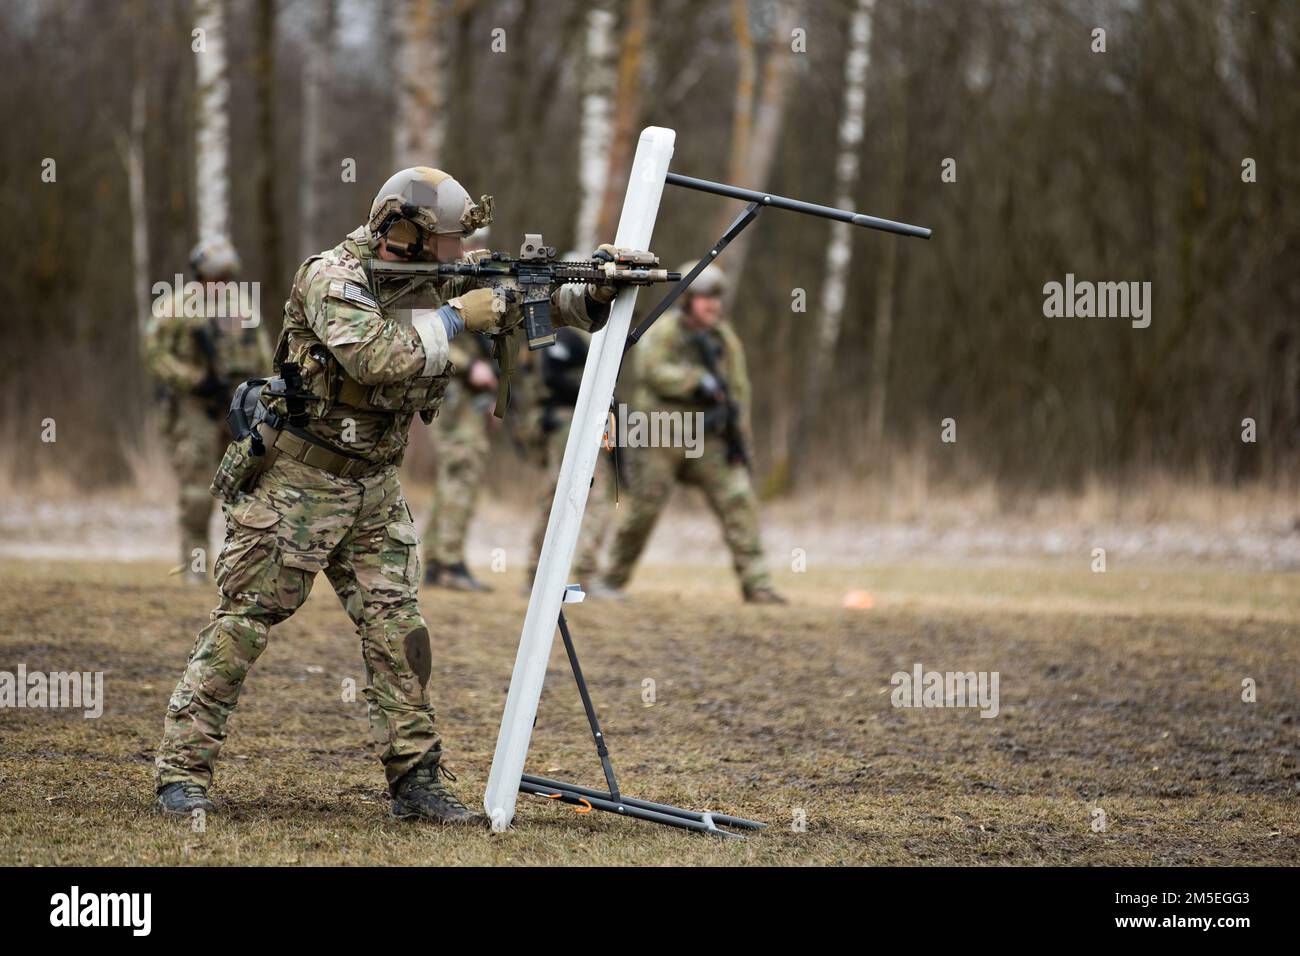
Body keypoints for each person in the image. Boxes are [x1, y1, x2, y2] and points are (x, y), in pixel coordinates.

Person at [154, 166, 644, 824]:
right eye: (444, 240)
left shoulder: (435, 272)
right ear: (403, 232)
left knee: (400, 632)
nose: (454, 255)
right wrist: (452, 318)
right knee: (244, 625)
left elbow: (531, 302)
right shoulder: (332, 277)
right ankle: (180, 774)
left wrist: (594, 288)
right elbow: (378, 359)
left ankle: (416, 782)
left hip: (374, 487)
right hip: (300, 478)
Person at [598, 263, 786, 604]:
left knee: (738, 499)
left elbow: (739, 391)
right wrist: (695, 380)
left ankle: (757, 584)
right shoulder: (664, 331)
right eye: (704, 298)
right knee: (644, 510)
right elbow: (651, 370)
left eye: (716, 298)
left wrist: (742, 441)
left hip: (709, 439)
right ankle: (610, 579)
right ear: (686, 299)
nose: (713, 305)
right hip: (659, 436)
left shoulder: (725, 341)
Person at [143, 238, 270, 583]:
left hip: (237, 406)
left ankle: (244, 569)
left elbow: (261, 355)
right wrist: (194, 380)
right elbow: (155, 353)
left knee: (247, 487)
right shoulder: (176, 307)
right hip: (194, 406)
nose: (221, 284)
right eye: (215, 276)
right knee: (197, 487)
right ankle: (195, 567)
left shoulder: (242, 307)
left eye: (226, 277)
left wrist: (258, 395)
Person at [526, 325, 614, 587]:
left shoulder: (585, 335)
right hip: (568, 423)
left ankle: (537, 573)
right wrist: (595, 397)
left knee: (558, 497)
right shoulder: (569, 334)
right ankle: (583, 574)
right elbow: (552, 376)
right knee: (590, 498)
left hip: (578, 422)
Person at [421, 334, 498, 592]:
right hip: (456, 395)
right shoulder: (435, 295)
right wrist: (468, 365)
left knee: (452, 480)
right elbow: (417, 328)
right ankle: (448, 563)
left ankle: (436, 561)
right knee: (461, 475)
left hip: (466, 397)